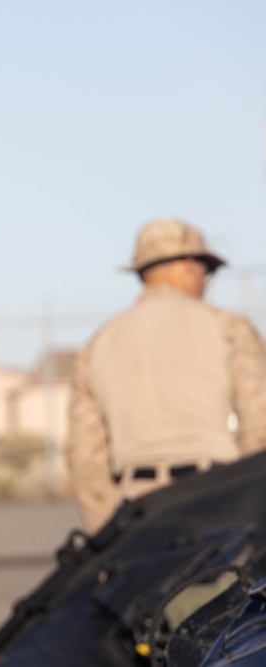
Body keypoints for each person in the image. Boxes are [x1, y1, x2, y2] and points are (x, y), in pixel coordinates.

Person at [66, 217, 266, 534]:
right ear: (189, 264)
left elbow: (86, 460)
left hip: (136, 513)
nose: (206, 279)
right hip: (218, 503)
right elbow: (259, 427)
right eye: (207, 270)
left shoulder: (97, 344)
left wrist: (109, 536)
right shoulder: (229, 328)